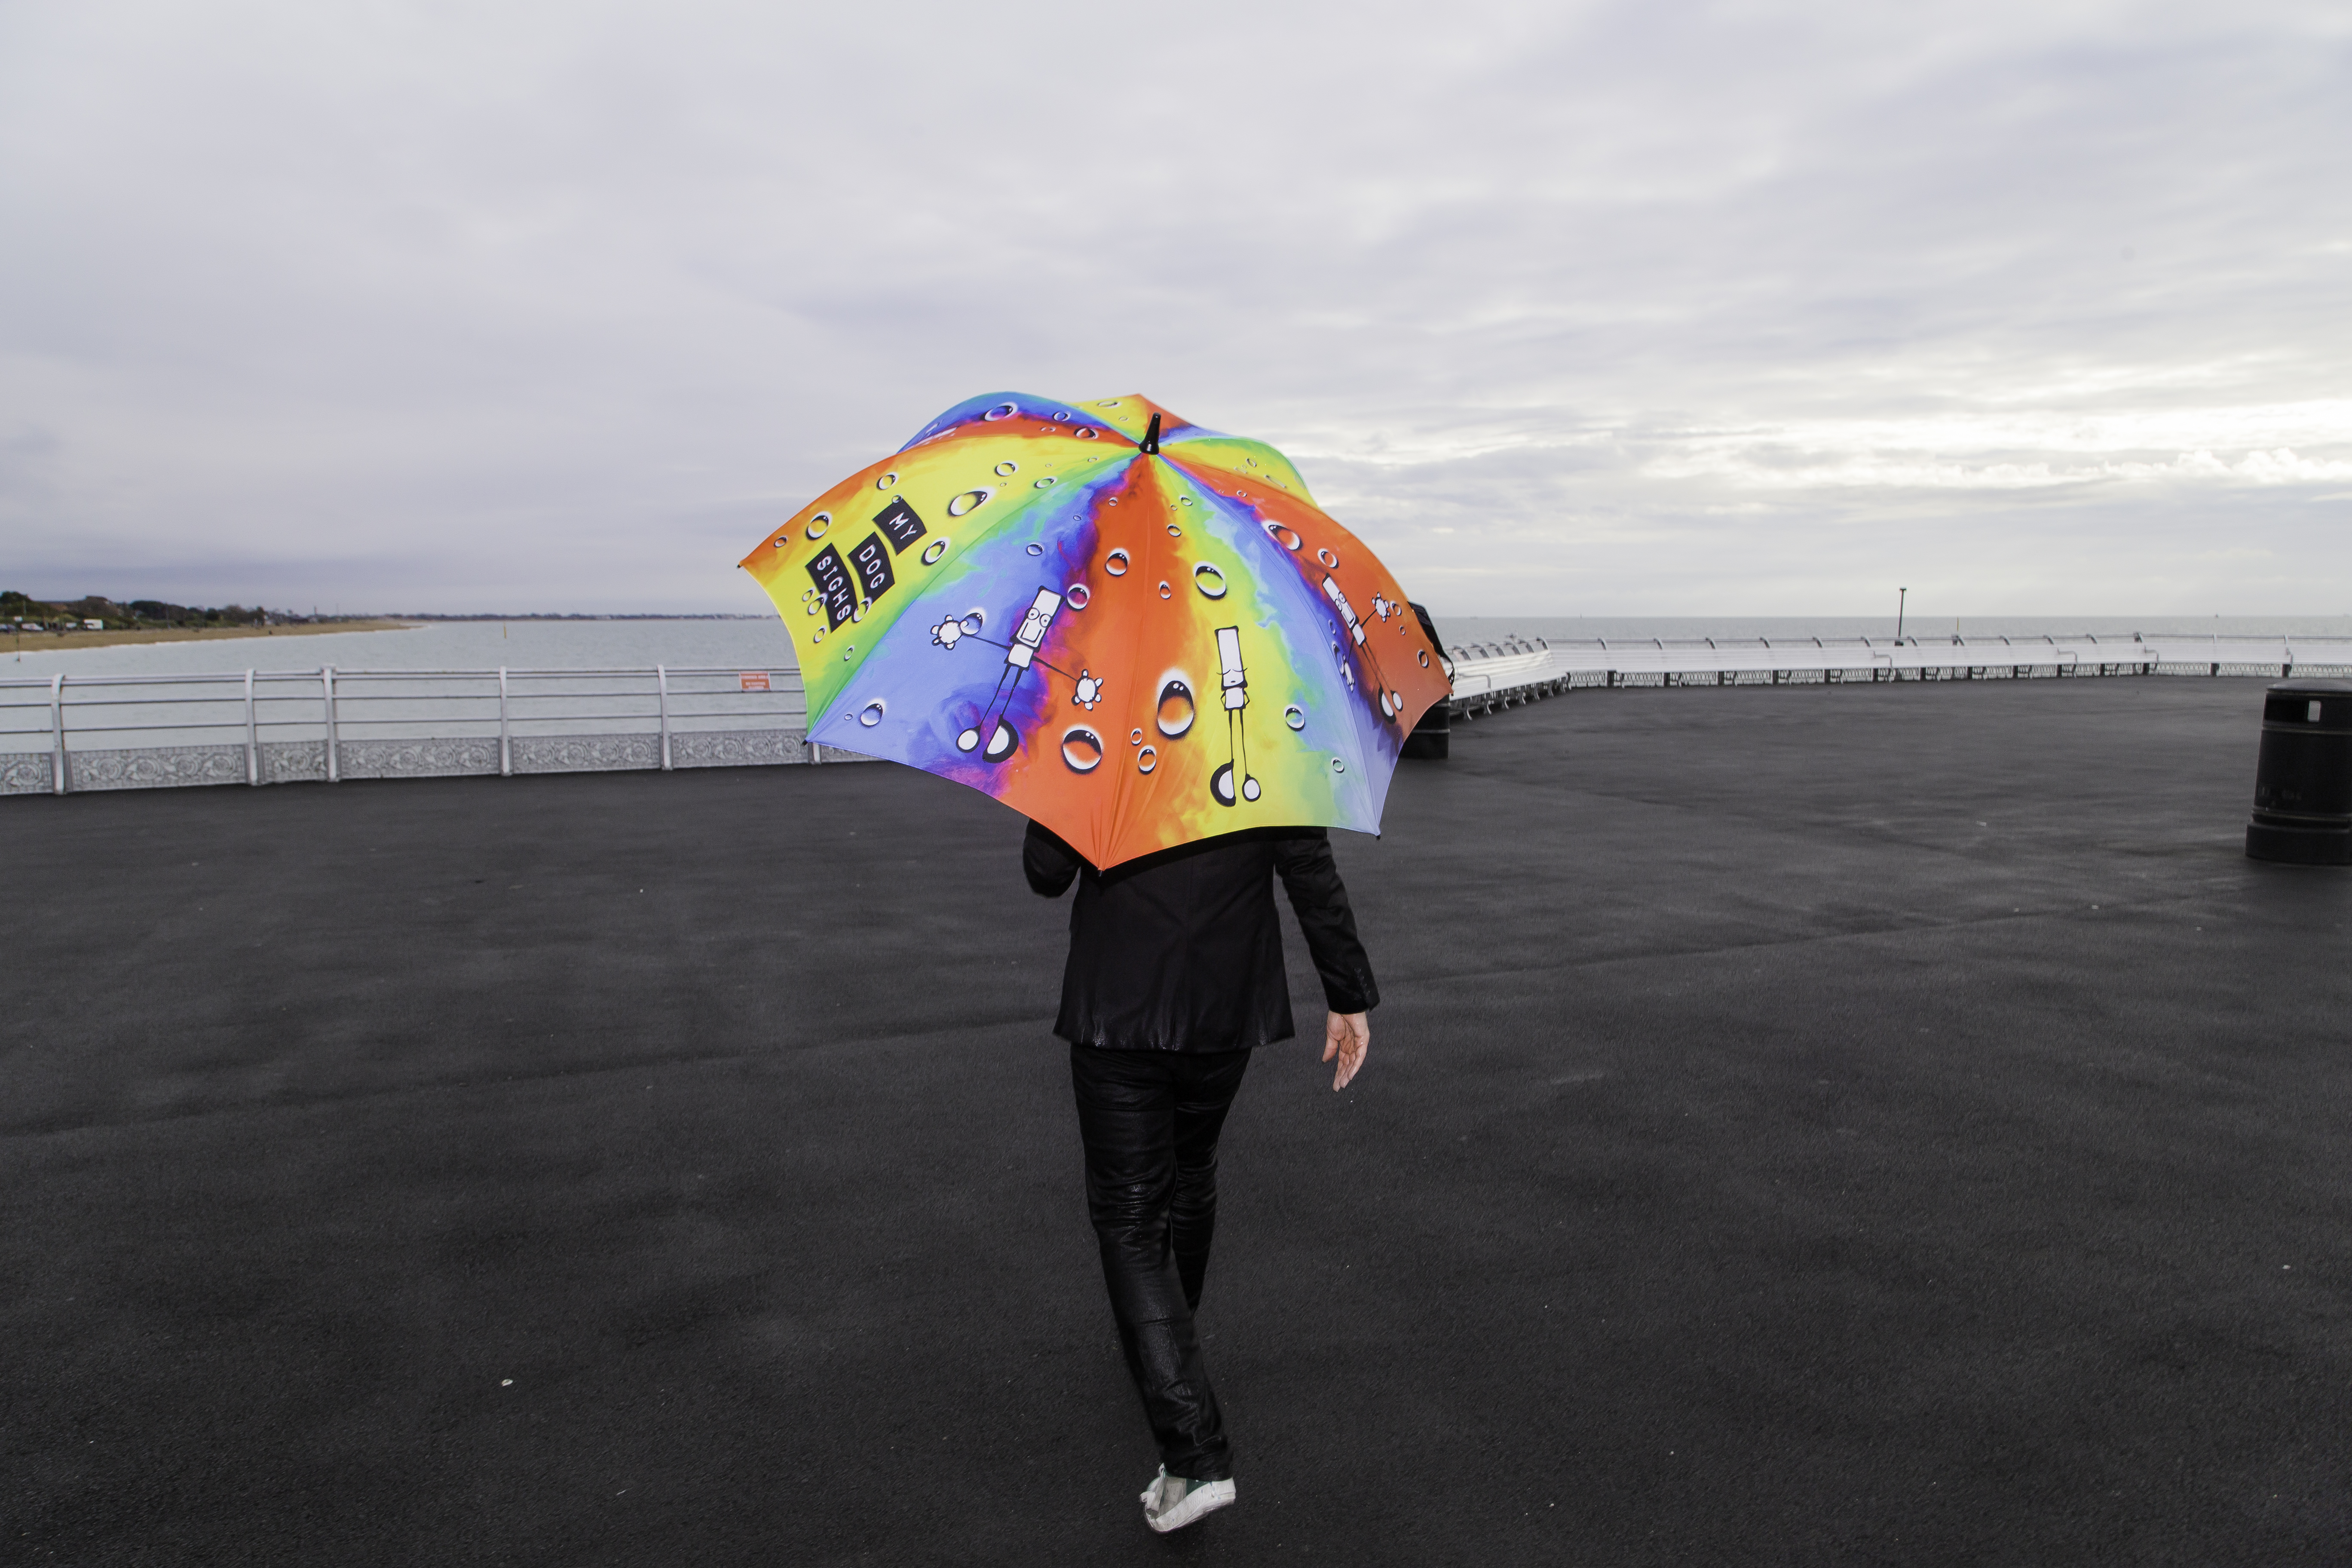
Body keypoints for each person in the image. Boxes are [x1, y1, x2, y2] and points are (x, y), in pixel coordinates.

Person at [1022, 820, 1378, 1534]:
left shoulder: (1098, 724)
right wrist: (1347, 993)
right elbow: (1306, 861)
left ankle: (1195, 1449)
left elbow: (1046, 871)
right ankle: (1168, 1349)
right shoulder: (1261, 722)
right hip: (1224, 1005)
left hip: (1117, 1007)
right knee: (1191, 1170)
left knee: (1129, 1219)